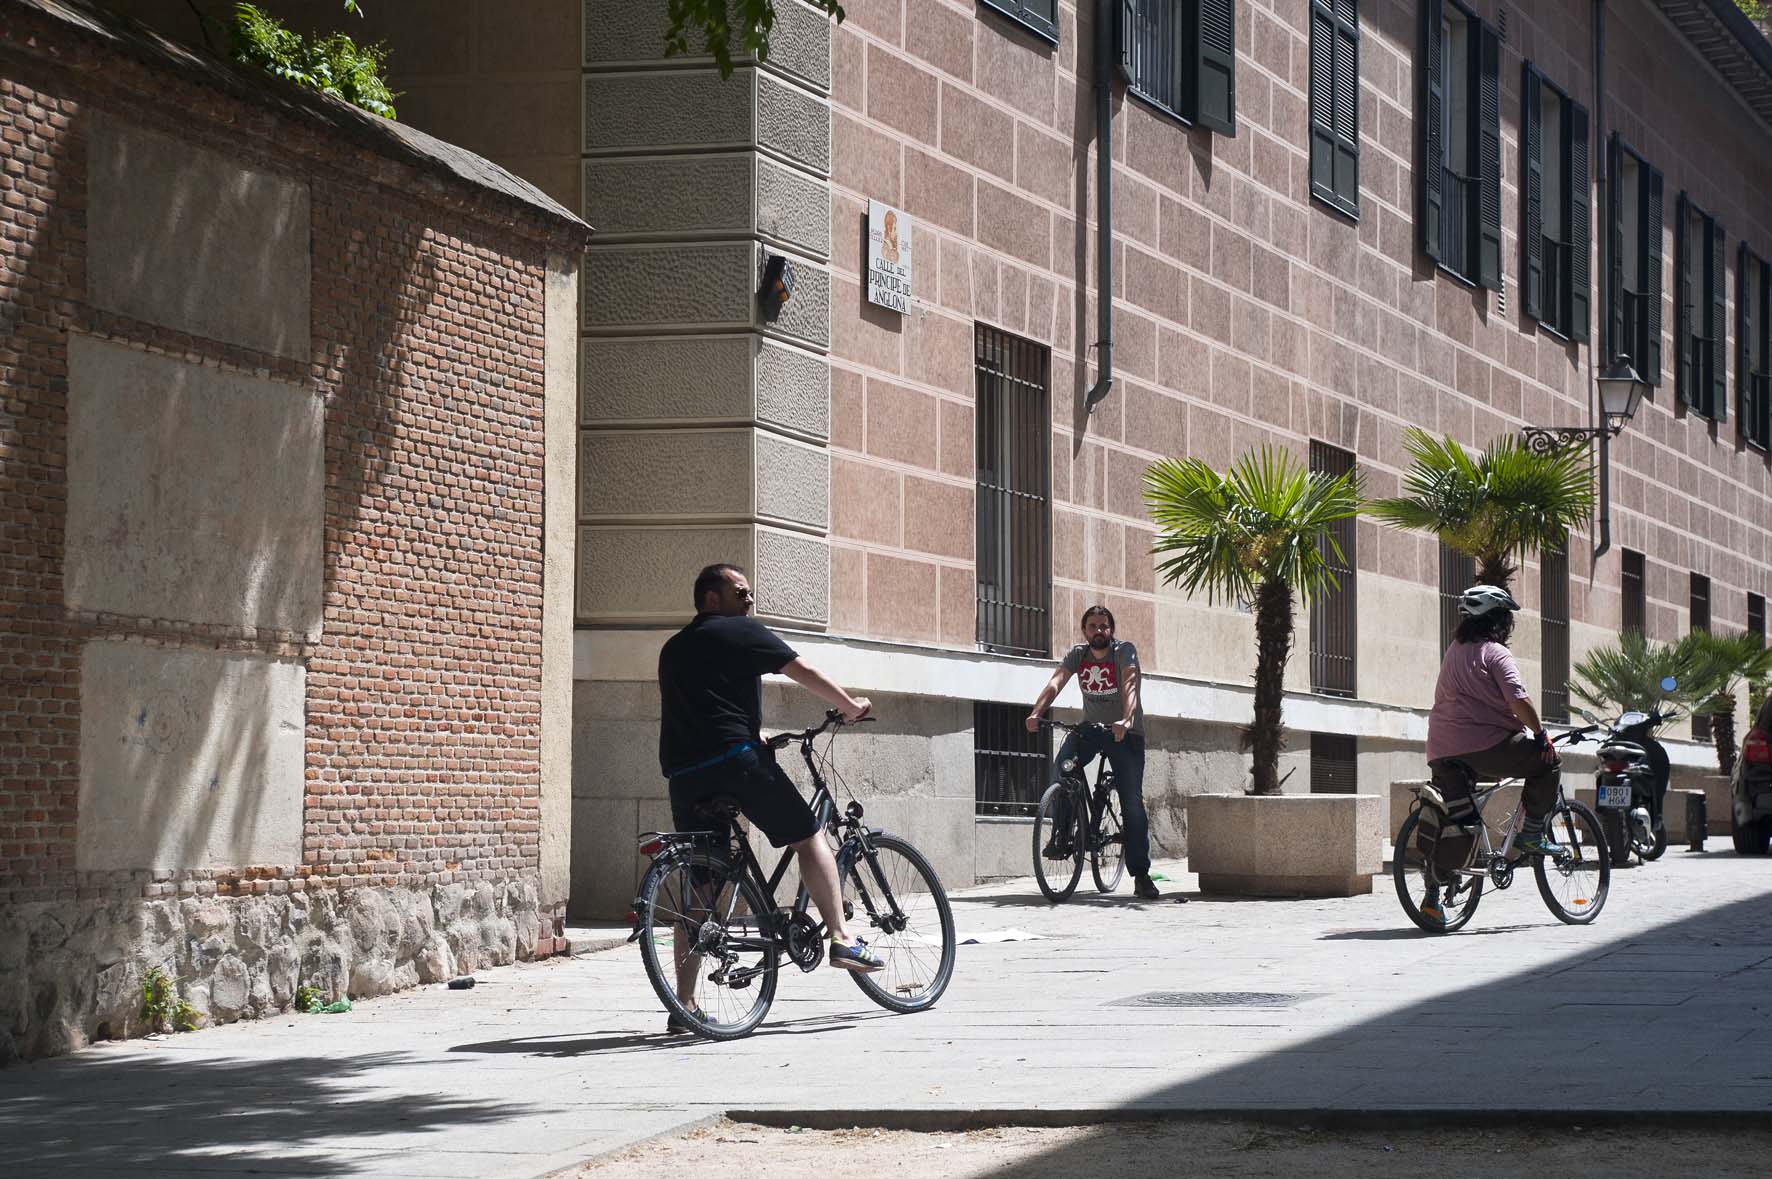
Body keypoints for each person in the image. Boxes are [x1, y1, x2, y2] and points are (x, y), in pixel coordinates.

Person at [657, 563, 883, 1031]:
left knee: (701, 887)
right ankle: (841, 937)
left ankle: (683, 1007)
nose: (749, 600)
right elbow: (803, 670)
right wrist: (850, 706)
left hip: (683, 774)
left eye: (749, 593)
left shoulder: (673, 648)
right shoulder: (739, 631)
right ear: (711, 598)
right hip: (734, 761)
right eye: (740, 591)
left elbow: (708, 701)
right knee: (808, 834)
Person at [1420, 584, 1563, 925]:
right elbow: (1518, 699)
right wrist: (1541, 735)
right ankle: (1531, 834)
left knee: (1457, 816)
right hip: (1485, 746)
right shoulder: (1495, 653)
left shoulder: (1453, 651)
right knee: (1549, 763)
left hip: (1441, 750)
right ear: (1499, 620)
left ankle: (1432, 897)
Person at [1025, 605, 1167, 901]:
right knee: (1061, 772)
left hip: (1125, 733)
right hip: (1091, 728)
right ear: (1084, 630)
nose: (1098, 631)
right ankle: (1062, 836)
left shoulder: (1123, 651)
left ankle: (1141, 875)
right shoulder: (1078, 655)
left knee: (1131, 803)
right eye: (1092, 626)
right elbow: (1056, 682)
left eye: (1103, 626)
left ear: (1111, 630)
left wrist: (1127, 719)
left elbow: (1130, 683)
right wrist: (1037, 712)